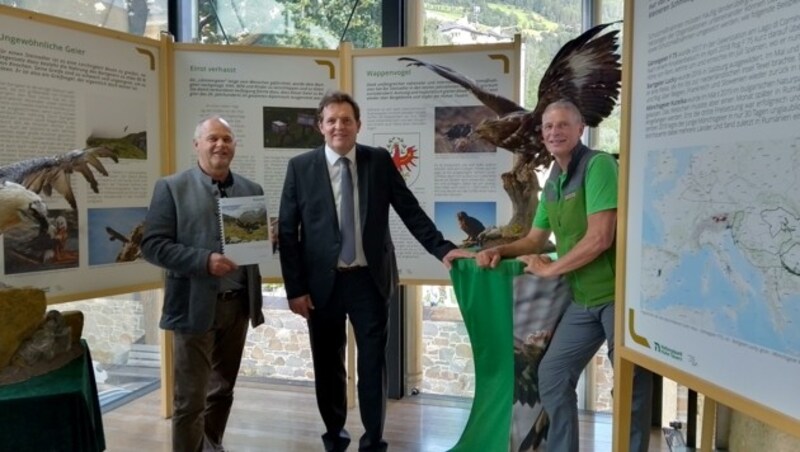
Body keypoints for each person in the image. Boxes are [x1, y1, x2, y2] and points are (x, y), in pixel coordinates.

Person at [279, 90, 471, 452]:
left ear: (358, 125)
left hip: (369, 281)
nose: (339, 126)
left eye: (346, 120)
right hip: (322, 286)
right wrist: (295, 289)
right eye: (331, 120)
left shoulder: (378, 161)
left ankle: (373, 442)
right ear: (321, 126)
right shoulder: (300, 168)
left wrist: (442, 248)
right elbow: (289, 233)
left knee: (372, 365)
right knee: (328, 365)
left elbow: (409, 210)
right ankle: (334, 438)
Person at [476, 99, 653, 452]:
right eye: (548, 127)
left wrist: (550, 268)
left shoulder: (599, 165)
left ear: (580, 129)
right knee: (553, 375)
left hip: (618, 298)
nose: (554, 132)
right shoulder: (554, 178)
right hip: (583, 299)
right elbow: (534, 240)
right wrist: (497, 249)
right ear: (541, 135)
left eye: (562, 125)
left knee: (631, 388)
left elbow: (601, 237)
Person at [141, 116, 266, 452]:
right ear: (197, 144)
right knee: (190, 401)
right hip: (193, 306)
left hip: (237, 306)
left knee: (223, 390)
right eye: (212, 138)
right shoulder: (171, 187)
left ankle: (211, 445)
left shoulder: (251, 190)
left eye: (226, 139)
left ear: (234, 146)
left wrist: (270, 239)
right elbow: (152, 246)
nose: (220, 145)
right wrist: (203, 261)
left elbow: (251, 248)